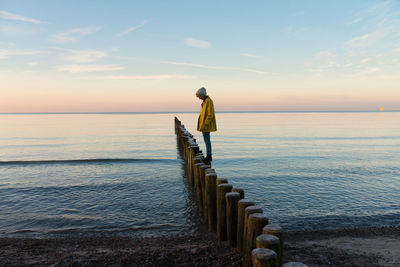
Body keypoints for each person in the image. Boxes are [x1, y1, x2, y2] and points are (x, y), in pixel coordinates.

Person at [196, 87, 217, 164]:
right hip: (204, 125)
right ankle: (208, 155)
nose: (198, 98)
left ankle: (209, 156)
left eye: (199, 96)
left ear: (202, 95)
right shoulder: (205, 101)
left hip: (206, 125)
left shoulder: (209, 101)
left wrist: (205, 125)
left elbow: (210, 115)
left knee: (207, 140)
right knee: (206, 140)